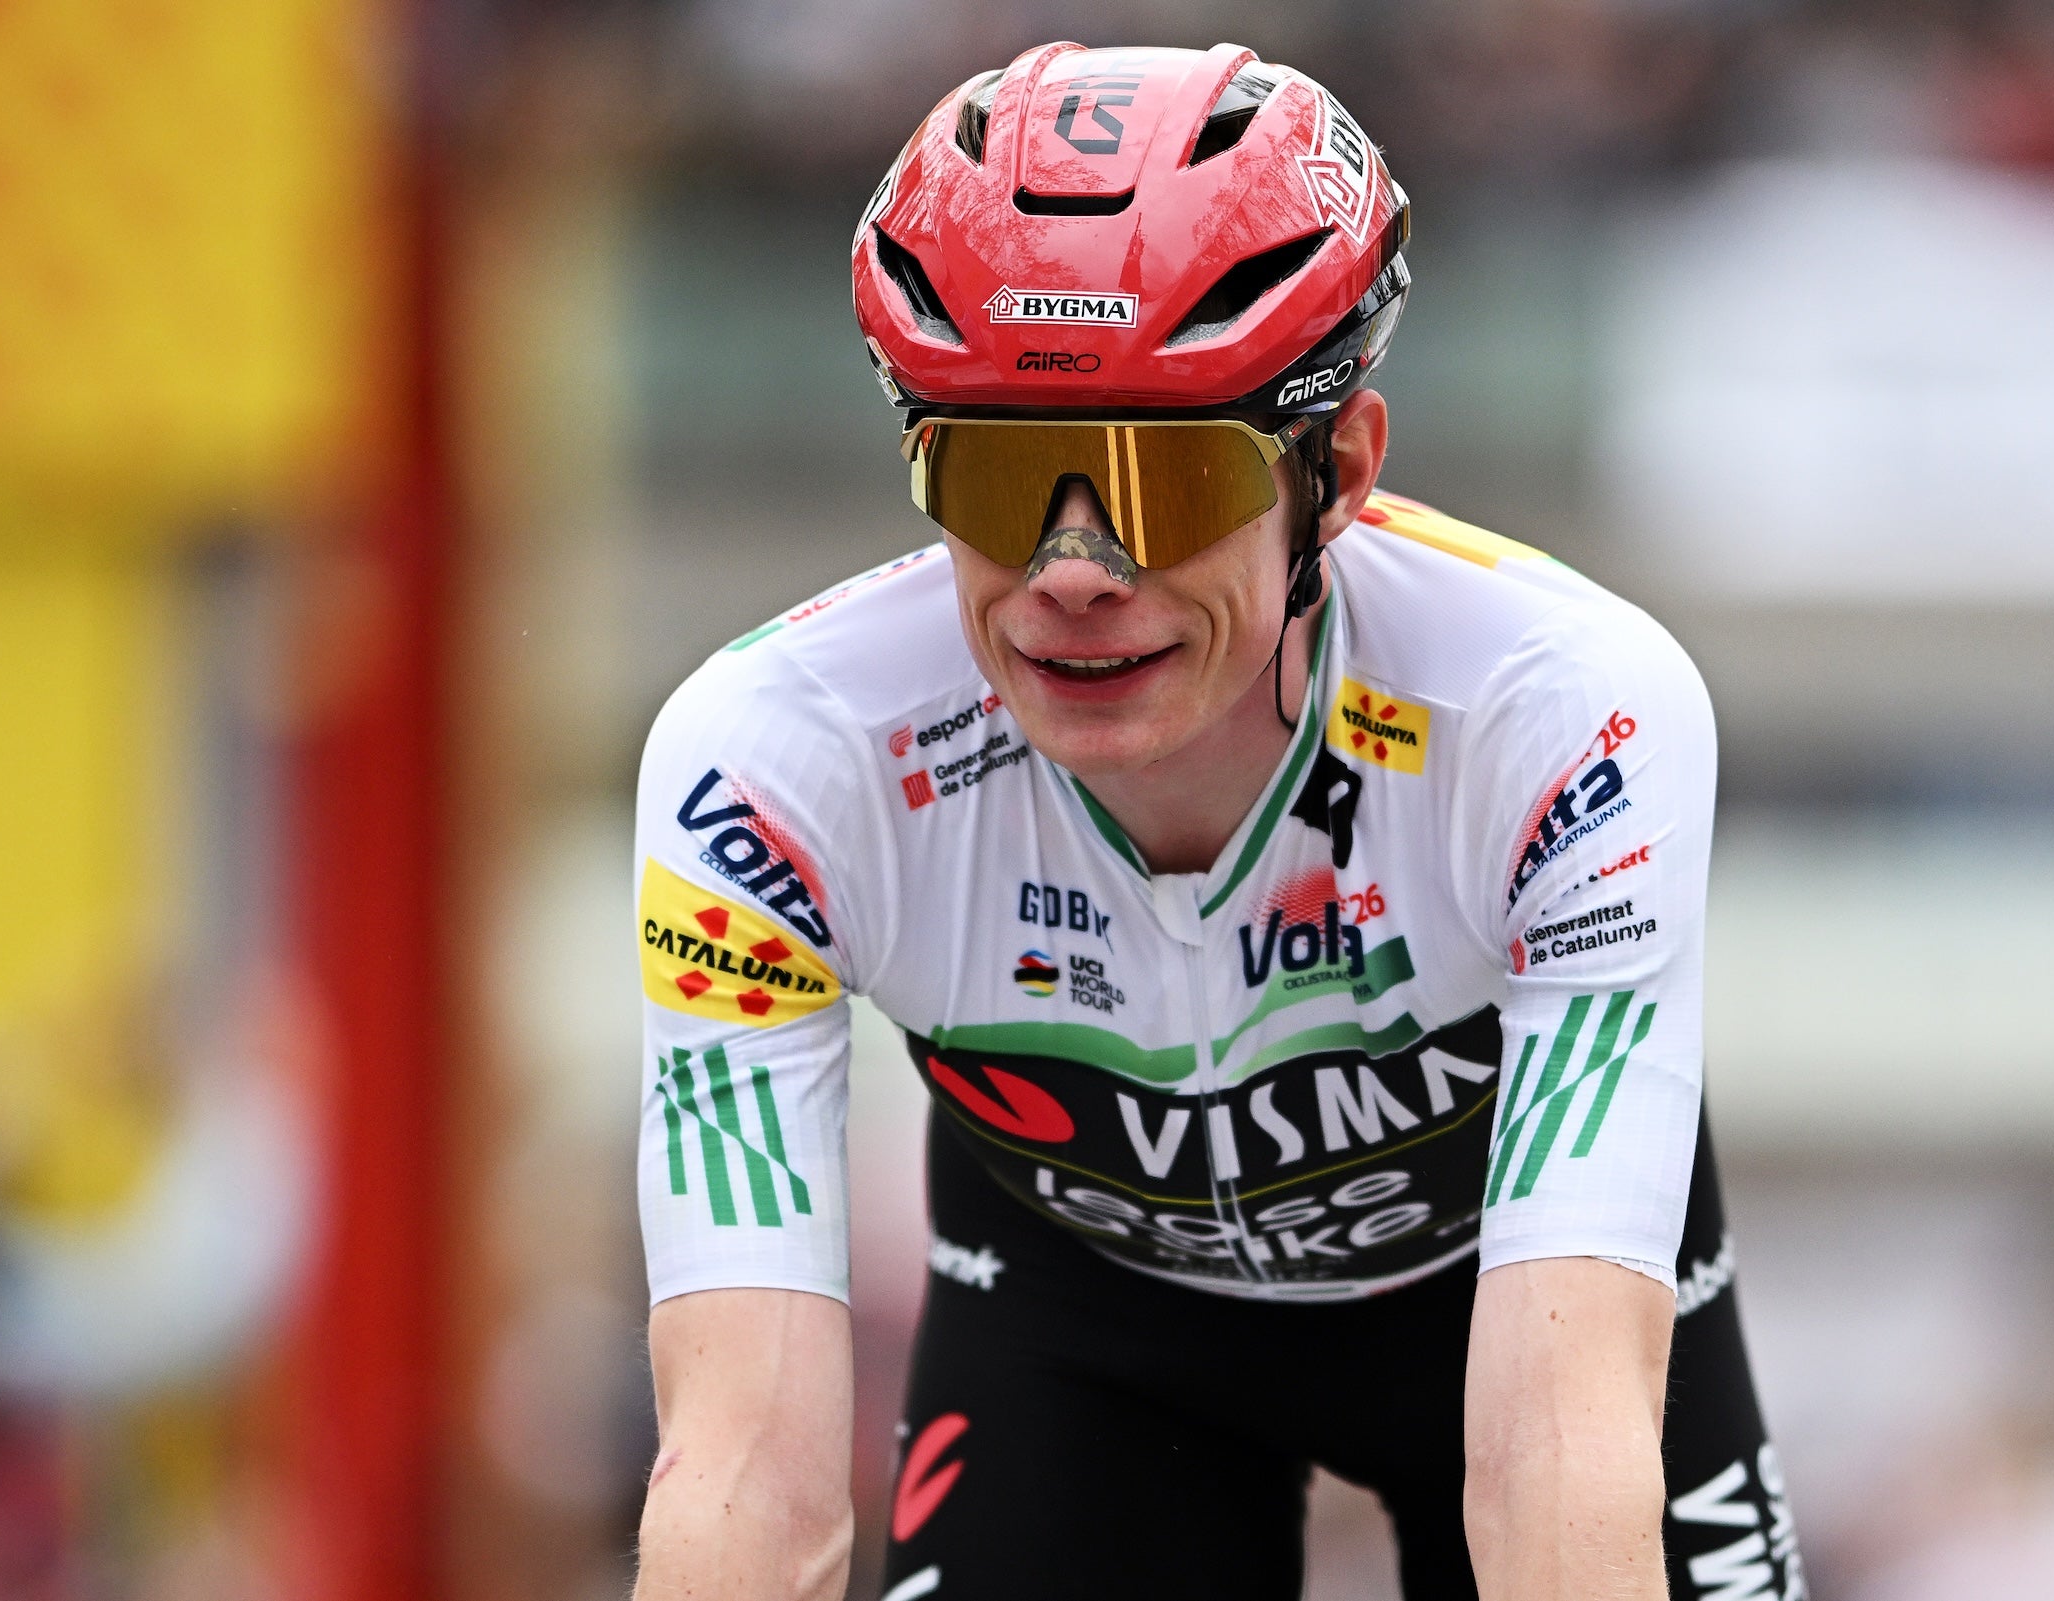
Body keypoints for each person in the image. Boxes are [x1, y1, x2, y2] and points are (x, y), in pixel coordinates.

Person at [631, 42, 1802, 1601]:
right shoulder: (771, 769)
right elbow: (747, 1491)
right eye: (994, 472)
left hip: (1504, 1306)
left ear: (1342, 475)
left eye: (1164, 479)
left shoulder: (1564, 714)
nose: (1074, 569)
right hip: (1088, 1324)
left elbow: (1555, 1461)